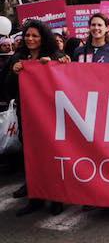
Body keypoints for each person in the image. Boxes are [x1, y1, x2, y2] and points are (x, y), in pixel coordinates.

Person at [1, 19, 67, 216]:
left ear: (43, 38)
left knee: (52, 156)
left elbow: (67, 81)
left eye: (35, 36)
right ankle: (35, 198)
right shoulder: (18, 57)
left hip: (51, 116)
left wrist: (59, 63)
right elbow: (7, 88)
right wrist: (14, 73)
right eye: (27, 35)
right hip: (27, 116)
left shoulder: (55, 55)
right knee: (31, 156)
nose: (30, 39)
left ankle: (57, 198)